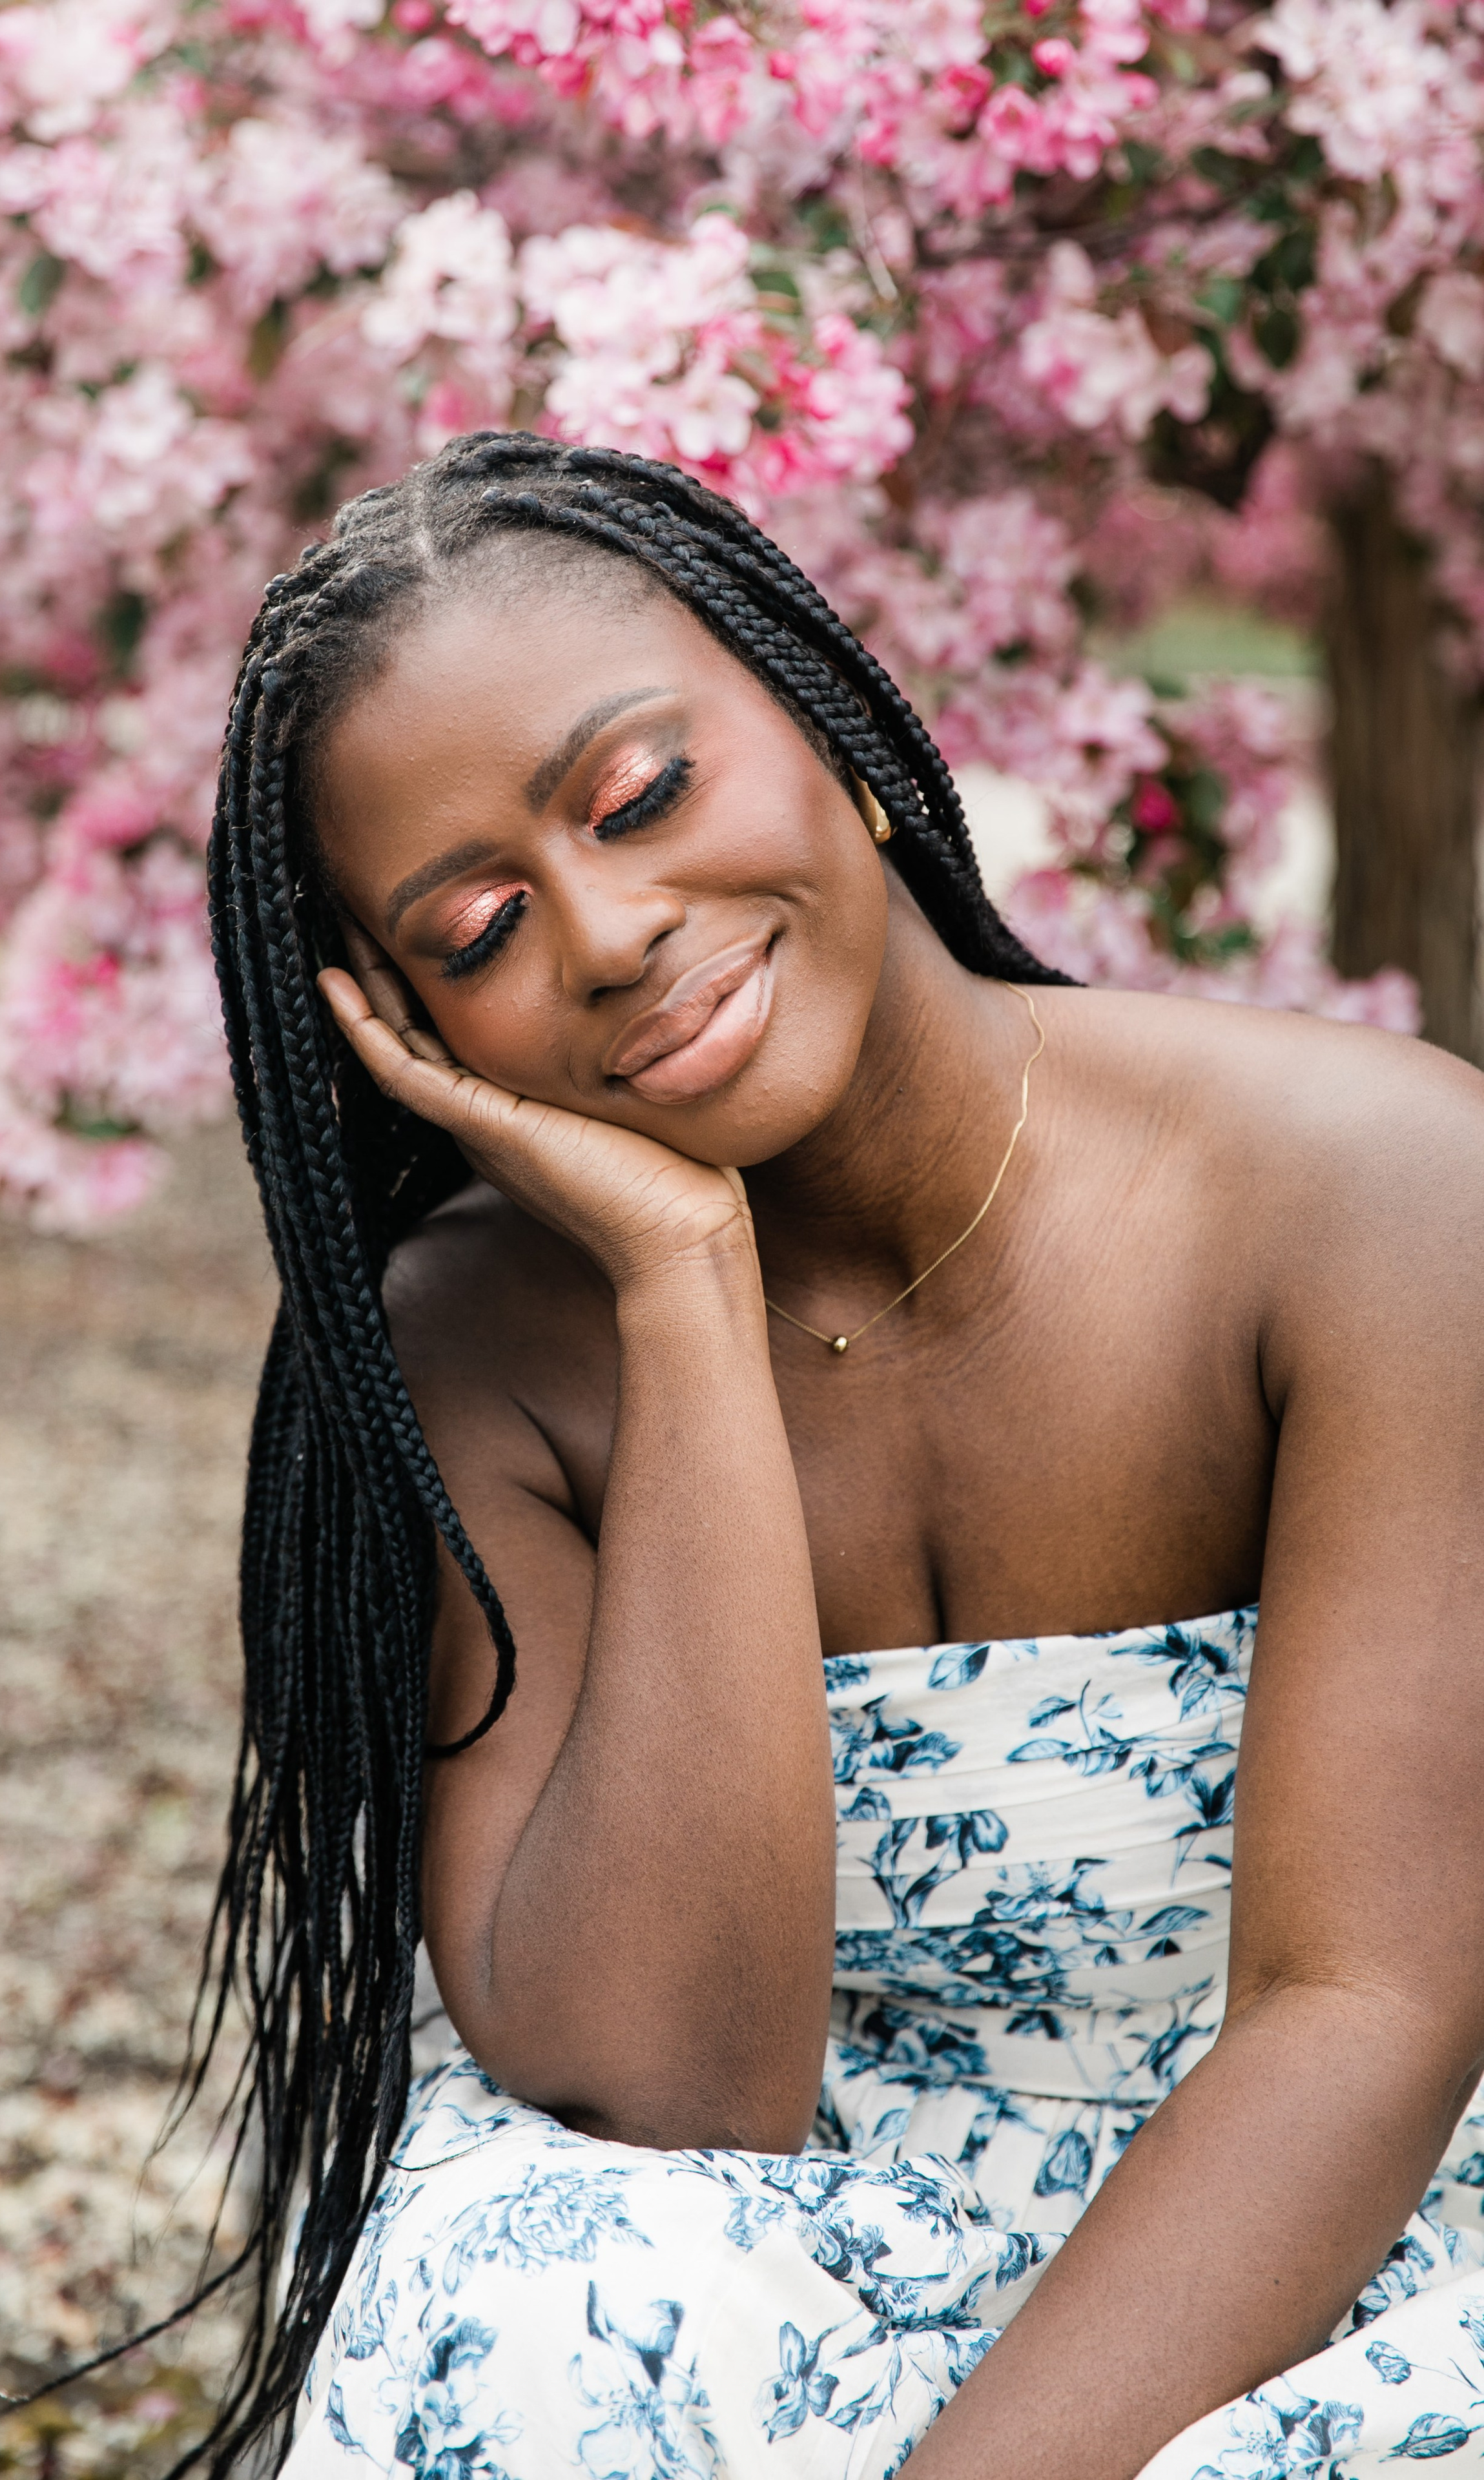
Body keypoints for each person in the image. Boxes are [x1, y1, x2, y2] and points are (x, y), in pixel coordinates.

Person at [196, 431, 1484, 2480]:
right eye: (476, 929)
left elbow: (1364, 2010)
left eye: (640, 794)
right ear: (412, 1037)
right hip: (791, 2233)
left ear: (827, 719)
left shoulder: (1379, 1194)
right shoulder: (480, 1347)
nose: (609, 930)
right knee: (539, 2316)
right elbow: (671, 2080)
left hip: (1328, 2224)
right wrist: (684, 1290)